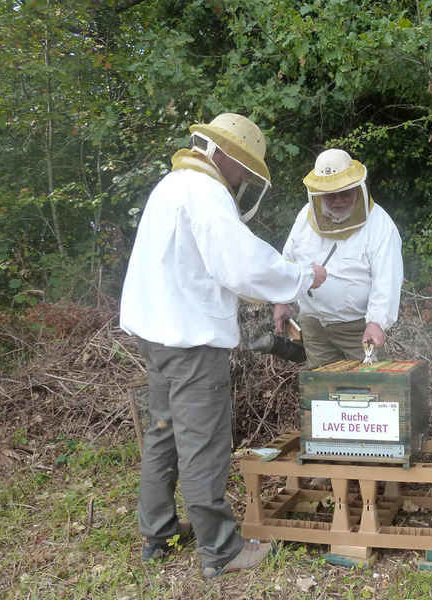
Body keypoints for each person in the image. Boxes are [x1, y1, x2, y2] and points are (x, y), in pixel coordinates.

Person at [120, 113, 327, 577]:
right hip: (191, 341)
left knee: (163, 432)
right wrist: (301, 277)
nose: (243, 179)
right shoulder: (205, 192)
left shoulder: (171, 185)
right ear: (225, 155)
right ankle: (220, 550)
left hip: (157, 335)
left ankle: (158, 532)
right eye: (245, 169)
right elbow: (242, 265)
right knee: (203, 443)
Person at [272, 149, 403, 368]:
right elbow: (288, 261)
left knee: (370, 386)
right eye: (330, 195)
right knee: (323, 386)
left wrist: (376, 322)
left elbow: (386, 279)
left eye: (345, 193)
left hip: (358, 330)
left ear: (357, 188)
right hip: (313, 326)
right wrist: (282, 300)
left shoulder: (380, 224)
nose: (338, 201)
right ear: (318, 193)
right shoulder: (305, 218)